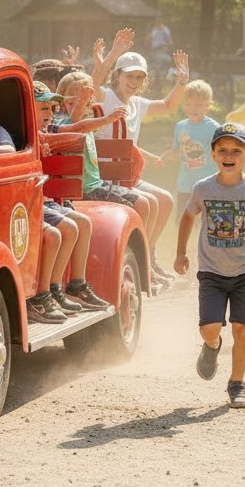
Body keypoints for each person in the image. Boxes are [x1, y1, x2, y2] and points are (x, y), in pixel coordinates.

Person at [174, 123, 245, 409]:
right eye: (222, 150)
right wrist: (181, 253)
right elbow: (187, 217)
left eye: (236, 150)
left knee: (243, 328)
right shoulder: (203, 188)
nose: (229, 155)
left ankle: (236, 383)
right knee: (209, 327)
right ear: (213, 155)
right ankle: (212, 346)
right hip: (211, 271)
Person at [97, 46, 191, 286]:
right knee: (147, 202)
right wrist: (105, 61)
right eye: (130, 76)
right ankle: (141, 263)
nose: (134, 82)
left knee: (166, 200)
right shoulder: (106, 96)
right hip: (107, 176)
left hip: (128, 175)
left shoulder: (137, 103)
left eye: (139, 77)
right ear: (118, 75)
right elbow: (89, 88)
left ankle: (148, 256)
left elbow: (168, 106)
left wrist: (181, 82)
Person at [54, 72, 158, 242]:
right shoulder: (61, 122)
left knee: (143, 203)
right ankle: (129, 247)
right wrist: (86, 104)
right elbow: (76, 123)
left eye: (86, 101)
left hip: (97, 185)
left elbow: (85, 119)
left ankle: (137, 252)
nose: (79, 105)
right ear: (61, 102)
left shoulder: (88, 120)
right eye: (72, 101)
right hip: (84, 189)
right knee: (136, 206)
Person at [33, 82, 109, 315]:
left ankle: (73, 285)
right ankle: (45, 293)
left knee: (83, 223)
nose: (49, 114)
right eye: (43, 108)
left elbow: (76, 127)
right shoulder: (22, 135)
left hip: (47, 198)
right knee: (63, 230)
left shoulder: (49, 131)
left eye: (51, 108)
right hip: (32, 200)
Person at [158, 79, 220, 246]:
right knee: (183, 221)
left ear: (208, 105)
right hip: (185, 184)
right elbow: (178, 150)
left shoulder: (214, 128)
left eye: (198, 105)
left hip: (208, 185)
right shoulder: (180, 126)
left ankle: (206, 253)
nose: (193, 109)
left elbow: (221, 153)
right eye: (189, 105)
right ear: (183, 104)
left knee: (208, 222)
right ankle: (185, 251)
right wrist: (163, 158)